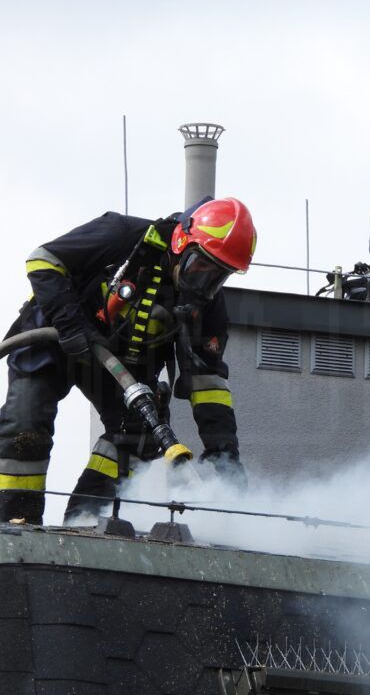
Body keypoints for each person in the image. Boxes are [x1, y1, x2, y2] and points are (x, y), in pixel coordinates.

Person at [0, 197, 255, 524]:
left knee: (140, 434)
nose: (204, 284)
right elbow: (43, 260)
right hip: (56, 333)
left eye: (218, 276)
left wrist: (224, 455)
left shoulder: (208, 307)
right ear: (180, 243)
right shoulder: (122, 235)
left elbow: (209, 385)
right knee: (27, 418)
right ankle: (15, 527)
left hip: (121, 367)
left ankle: (86, 527)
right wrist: (70, 324)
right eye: (199, 267)